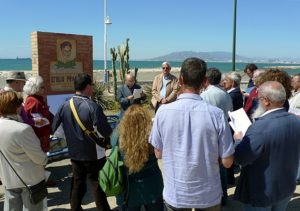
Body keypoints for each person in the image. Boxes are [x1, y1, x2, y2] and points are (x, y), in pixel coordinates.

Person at [149, 57, 234, 211]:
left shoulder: (162, 113)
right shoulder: (216, 115)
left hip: (176, 193)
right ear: (204, 81)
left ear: (180, 80)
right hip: (208, 194)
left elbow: (158, 153)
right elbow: (227, 162)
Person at [233, 81, 300, 210]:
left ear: (266, 101)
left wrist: (238, 141)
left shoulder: (260, 127)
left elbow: (241, 159)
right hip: (286, 186)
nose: (257, 102)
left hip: (262, 191)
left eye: (259, 99)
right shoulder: (295, 121)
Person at [52, 73, 112, 211]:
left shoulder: (64, 105)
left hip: (74, 153)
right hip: (94, 154)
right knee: (97, 184)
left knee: (77, 184)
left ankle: (75, 208)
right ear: (88, 87)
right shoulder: (93, 106)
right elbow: (105, 131)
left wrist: (71, 137)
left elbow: (56, 130)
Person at [0, 91, 48, 211]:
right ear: (17, 107)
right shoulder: (22, 129)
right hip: (31, 181)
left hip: (8, 179)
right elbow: (39, 158)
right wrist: (45, 158)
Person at [113, 105, 164, 211]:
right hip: (153, 186)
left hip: (129, 189)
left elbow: (114, 152)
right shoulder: (153, 135)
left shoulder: (118, 136)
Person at [200, 67, 233, 206]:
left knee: (212, 170)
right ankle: (224, 197)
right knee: (222, 170)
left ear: (206, 80)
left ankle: (214, 199)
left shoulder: (205, 96)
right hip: (224, 134)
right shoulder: (225, 94)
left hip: (211, 136)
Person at [23, 76, 53, 153]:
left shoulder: (38, 98)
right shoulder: (33, 101)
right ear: (35, 88)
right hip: (39, 137)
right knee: (41, 159)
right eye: (42, 87)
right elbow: (31, 121)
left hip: (43, 135)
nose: (44, 89)